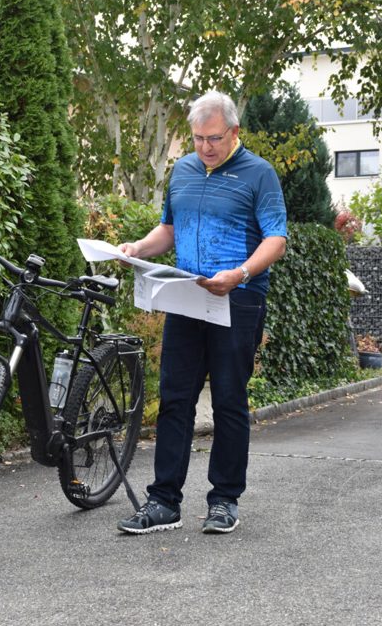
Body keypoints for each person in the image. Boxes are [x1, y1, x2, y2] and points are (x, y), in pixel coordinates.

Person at [117, 91, 287, 535]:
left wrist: (241, 272)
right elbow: (168, 229)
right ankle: (163, 503)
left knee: (230, 400)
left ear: (234, 132)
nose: (205, 147)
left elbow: (276, 239)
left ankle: (224, 500)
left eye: (214, 138)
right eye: (197, 139)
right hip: (187, 296)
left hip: (239, 298)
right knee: (175, 399)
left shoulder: (259, 174)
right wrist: (137, 248)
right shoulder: (184, 170)